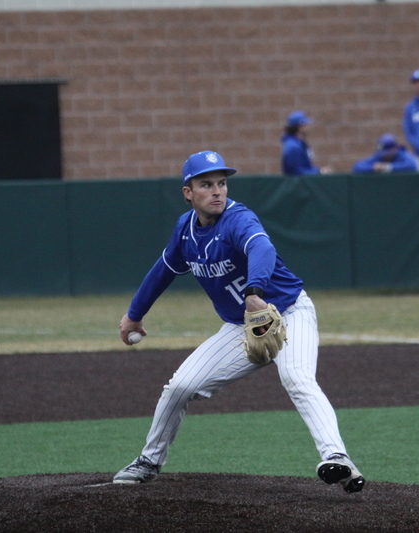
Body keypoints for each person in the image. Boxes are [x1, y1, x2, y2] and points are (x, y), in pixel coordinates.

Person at [114, 150, 364, 494]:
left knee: (296, 376)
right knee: (180, 387)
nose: (217, 191)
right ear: (188, 192)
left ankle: (338, 458)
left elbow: (262, 249)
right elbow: (164, 271)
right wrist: (134, 315)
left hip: (289, 313)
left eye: (221, 183)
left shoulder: (238, 218)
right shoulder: (185, 231)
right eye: (206, 184)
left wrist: (254, 290)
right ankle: (148, 461)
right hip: (238, 326)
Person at [281, 110, 332, 175]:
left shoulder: (300, 144)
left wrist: (319, 171)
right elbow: (296, 172)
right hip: (298, 184)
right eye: (305, 125)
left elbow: (306, 166)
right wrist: (319, 173)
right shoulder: (293, 147)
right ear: (299, 127)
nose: (308, 127)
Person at [352, 133, 418, 174]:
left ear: (394, 149)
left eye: (386, 153)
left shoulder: (401, 154)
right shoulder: (379, 157)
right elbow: (357, 167)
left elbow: (412, 165)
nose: (384, 156)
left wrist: (387, 167)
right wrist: (373, 168)